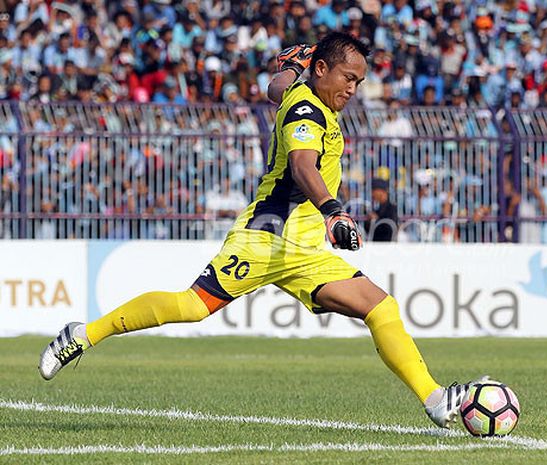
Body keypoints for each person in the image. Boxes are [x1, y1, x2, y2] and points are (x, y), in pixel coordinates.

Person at [38, 32, 481, 430]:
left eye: (359, 82)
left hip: (304, 249)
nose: (353, 88)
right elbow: (302, 164)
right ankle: (82, 335)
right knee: (192, 306)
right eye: (348, 77)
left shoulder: (305, 91)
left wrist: (289, 68)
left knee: (380, 309)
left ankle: (435, 399)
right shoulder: (308, 110)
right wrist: (333, 210)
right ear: (322, 69)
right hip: (267, 238)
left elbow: (275, 89)